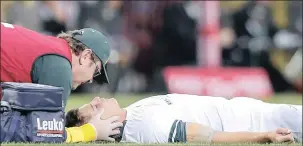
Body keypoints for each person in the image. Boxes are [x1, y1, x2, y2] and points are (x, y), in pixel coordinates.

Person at [0, 22, 122, 143]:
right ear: (85, 56)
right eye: (95, 71)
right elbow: (46, 134)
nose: (90, 80)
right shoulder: (60, 67)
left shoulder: (53, 51)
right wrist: (92, 131)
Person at [66, 94, 302, 144]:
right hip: (260, 122)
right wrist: (264, 135)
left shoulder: (131, 112)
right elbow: (211, 137)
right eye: (93, 108)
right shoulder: (147, 128)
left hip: (255, 109)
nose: (97, 98)